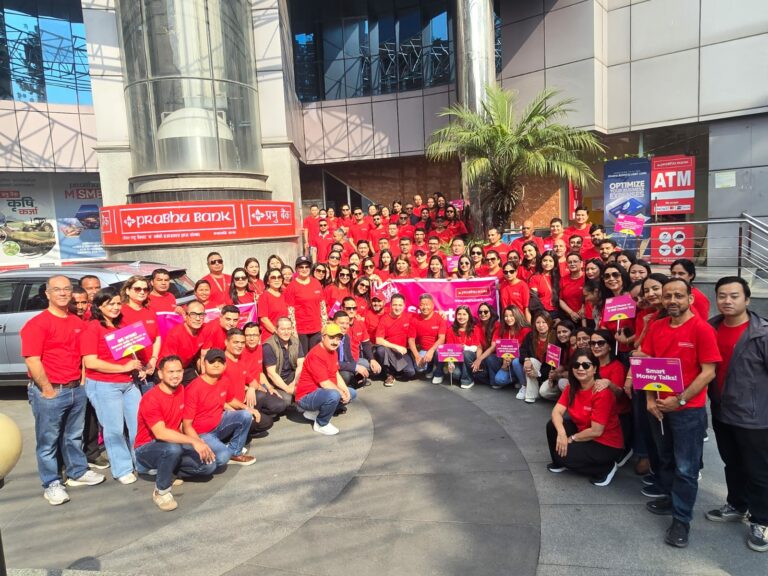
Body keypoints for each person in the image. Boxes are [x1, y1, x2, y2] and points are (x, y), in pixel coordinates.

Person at [636, 277, 721, 548]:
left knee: (686, 467)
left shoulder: (702, 329)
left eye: (678, 296)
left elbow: (708, 372)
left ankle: (681, 520)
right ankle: (672, 499)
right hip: (659, 408)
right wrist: (650, 399)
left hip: (688, 412)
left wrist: (680, 400)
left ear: (690, 299)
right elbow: (649, 364)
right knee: (665, 458)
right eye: (668, 295)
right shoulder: (657, 327)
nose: (672, 300)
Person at [22, 275, 105, 506]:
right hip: (50, 392)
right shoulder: (37, 324)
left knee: (73, 436)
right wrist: (47, 389)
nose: (62, 293)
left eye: (66, 289)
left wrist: (82, 381)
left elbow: (84, 354)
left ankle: (78, 471)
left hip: (75, 389)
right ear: (47, 294)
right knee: (48, 441)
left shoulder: (76, 322)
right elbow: (32, 360)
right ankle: (51, 483)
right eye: (57, 289)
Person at [707, 276, 768, 552]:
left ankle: (762, 519)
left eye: (734, 296)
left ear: (747, 299)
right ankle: (737, 504)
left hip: (755, 417)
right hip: (722, 410)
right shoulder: (712, 327)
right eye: (722, 296)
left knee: (758, 470)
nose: (727, 301)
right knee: (731, 462)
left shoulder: (761, 333)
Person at [134, 356, 217, 511]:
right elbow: (160, 433)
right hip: (147, 448)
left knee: (209, 466)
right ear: (160, 374)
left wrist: (199, 442)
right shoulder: (150, 398)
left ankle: (169, 471)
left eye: (179, 371)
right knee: (172, 449)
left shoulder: (180, 390)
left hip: (173, 443)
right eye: (170, 372)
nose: (176, 375)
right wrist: (193, 442)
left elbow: (182, 424)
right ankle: (161, 491)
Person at [81, 288, 144, 485]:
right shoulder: (92, 328)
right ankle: (122, 468)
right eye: (110, 304)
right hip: (104, 385)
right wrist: (123, 367)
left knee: (138, 425)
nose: (116, 307)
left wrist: (137, 366)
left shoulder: (121, 324)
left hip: (128, 383)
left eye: (118, 303)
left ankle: (141, 461)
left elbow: (130, 349)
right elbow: (90, 362)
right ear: (99, 306)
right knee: (114, 429)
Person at [546, 351, 625, 487]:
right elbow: (556, 412)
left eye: (586, 365)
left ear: (594, 369)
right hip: (584, 432)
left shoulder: (602, 393)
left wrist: (572, 438)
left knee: (563, 455)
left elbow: (596, 431)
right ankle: (562, 462)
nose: (580, 368)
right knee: (553, 426)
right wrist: (562, 433)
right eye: (576, 365)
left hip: (605, 443)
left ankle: (606, 468)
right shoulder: (571, 388)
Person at [182, 349, 256, 468]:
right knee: (223, 457)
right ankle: (185, 462)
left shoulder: (224, 380)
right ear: (204, 363)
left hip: (219, 424)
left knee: (245, 415)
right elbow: (187, 426)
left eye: (220, 362)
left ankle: (235, 452)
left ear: (225, 365)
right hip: (202, 434)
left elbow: (230, 400)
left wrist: (247, 408)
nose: (216, 364)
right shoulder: (194, 388)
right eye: (212, 361)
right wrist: (199, 443)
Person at [295, 323, 357, 436]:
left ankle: (314, 413)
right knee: (334, 395)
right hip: (306, 396)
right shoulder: (316, 354)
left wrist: (345, 390)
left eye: (338, 339)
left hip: (320, 392)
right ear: (323, 337)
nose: (335, 342)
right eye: (331, 337)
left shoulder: (333, 351)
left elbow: (336, 373)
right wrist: (340, 392)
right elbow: (324, 383)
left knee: (351, 393)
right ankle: (321, 424)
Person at [221, 329, 274, 438]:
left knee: (267, 422)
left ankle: (243, 429)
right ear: (226, 342)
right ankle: (230, 436)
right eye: (236, 342)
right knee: (251, 421)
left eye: (242, 342)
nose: (239, 345)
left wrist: (251, 388)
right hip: (228, 408)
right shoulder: (221, 364)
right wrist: (243, 410)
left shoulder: (240, 359)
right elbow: (222, 399)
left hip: (241, 404)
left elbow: (253, 381)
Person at [120, 275, 162, 391]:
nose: (142, 292)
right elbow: (123, 343)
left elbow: (157, 337)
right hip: (134, 370)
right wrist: (138, 367)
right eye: (137, 289)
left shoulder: (150, 311)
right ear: (127, 290)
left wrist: (153, 359)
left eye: (146, 289)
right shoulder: (121, 312)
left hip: (152, 366)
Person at [285, 255, 325, 351]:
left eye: (307, 267)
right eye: (301, 267)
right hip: (301, 330)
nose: (304, 269)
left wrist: (324, 325)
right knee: (303, 357)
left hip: (316, 328)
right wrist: (293, 332)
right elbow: (290, 311)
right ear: (296, 269)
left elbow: (322, 306)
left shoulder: (316, 283)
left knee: (315, 355)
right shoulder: (291, 286)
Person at [160, 300, 205, 384]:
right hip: (169, 370)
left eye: (201, 315)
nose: (198, 318)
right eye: (193, 315)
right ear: (185, 316)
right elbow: (168, 362)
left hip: (186, 367)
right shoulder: (175, 334)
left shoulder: (205, 329)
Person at [375, 293, 415, 386]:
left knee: (410, 373)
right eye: (395, 305)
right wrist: (396, 347)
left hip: (403, 352)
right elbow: (378, 340)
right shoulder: (384, 319)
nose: (397, 308)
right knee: (380, 350)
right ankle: (389, 374)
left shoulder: (409, 316)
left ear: (404, 306)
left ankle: (396, 371)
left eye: (400, 305)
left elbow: (424, 314)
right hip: (389, 351)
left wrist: (441, 313)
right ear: (390, 305)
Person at [263, 316, 305, 402]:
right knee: (287, 399)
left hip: (291, 377)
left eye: (289, 329)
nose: (286, 332)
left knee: (309, 384)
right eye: (282, 329)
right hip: (275, 382)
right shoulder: (268, 346)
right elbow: (272, 374)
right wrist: (288, 389)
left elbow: (301, 365)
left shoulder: (296, 341)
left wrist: (294, 383)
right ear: (276, 330)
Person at [441, 305, 484, 389]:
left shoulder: (475, 329)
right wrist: (450, 363)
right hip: (457, 360)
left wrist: (477, 360)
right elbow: (449, 350)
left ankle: (467, 380)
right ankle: (469, 374)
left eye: (464, 314)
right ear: (456, 316)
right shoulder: (450, 330)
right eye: (459, 314)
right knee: (455, 374)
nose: (461, 317)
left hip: (470, 358)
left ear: (469, 316)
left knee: (465, 353)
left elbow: (478, 347)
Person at [407, 294, 446, 383]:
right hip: (424, 350)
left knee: (438, 352)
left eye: (427, 304)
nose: (425, 307)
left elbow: (442, 339)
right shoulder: (414, 319)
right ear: (419, 306)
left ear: (432, 305)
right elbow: (411, 340)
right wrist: (417, 356)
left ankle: (439, 373)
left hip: (436, 349)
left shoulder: (439, 318)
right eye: (422, 305)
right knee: (419, 368)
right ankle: (430, 368)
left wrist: (431, 351)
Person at [519, 311, 556, 403]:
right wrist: (526, 359)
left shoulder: (555, 337)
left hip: (549, 372)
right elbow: (522, 349)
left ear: (549, 323)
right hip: (534, 366)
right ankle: (531, 395)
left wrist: (538, 374)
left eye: (544, 322)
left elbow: (554, 363)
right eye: (538, 322)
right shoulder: (531, 335)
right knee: (531, 361)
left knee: (543, 392)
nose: (541, 325)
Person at [492, 305, 530, 389]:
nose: (508, 318)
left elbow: (526, 350)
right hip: (508, 362)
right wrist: (504, 359)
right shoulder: (505, 330)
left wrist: (512, 358)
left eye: (511, 315)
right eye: (506, 316)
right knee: (498, 380)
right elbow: (502, 348)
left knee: (516, 362)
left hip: (522, 362)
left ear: (517, 315)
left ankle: (524, 386)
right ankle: (517, 379)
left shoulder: (526, 330)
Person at [258, 268, 288, 337]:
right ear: (268, 281)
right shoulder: (264, 296)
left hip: (285, 334)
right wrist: (277, 333)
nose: (277, 280)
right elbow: (264, 319)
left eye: (279, 277)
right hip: (271, 335)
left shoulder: (285, 294)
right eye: (273, 278)